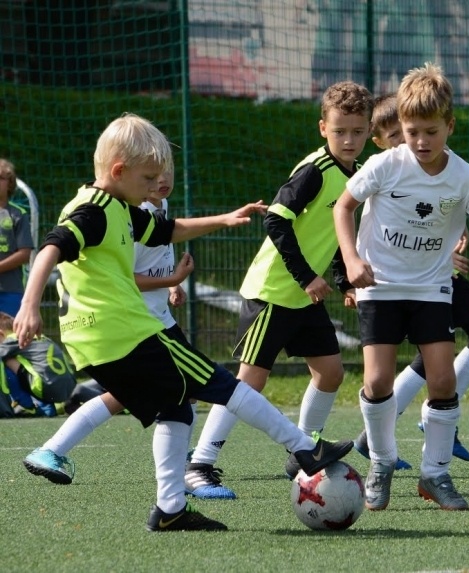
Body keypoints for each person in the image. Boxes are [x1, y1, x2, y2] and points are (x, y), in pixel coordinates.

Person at [14, 113, 352, 532]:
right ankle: (304, 449)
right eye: (149, 177)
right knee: (223, 384)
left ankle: (170, 509)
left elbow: (167, 230)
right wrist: (30, 305)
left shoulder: (121, 206)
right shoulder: (95, 210)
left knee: (176, 409)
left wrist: (224, 219)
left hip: (98, 340)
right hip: (127, 333)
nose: (156, 186)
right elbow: (50, 248)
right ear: (119, 171)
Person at [184, 81, 373, 499]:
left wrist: (343, 280)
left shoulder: (356, 174)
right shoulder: (314, 171)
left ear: (368, 131)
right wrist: (308, 276)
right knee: (248, 381)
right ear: (323, 128)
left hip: (304, 296)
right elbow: (275, 220)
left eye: (357, 132)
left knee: (331, 372)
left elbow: (337, 234)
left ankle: (303, 452)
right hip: (273, 290)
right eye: (340, 130)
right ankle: (200, 463)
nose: (348, 139)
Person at [333, 63, 469, 511]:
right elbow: (344, 207)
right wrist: (351, 260)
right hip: (380, 287)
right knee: (376, 379)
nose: (421, 142)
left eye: (431, 131)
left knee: (444, 381)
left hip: (431, 287)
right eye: (411, 132)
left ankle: (435, 475)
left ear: (449, 125)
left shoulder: (463, 176)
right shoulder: (385, 165)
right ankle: (382, 463)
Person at [21, 168, 202, 484]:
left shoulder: (159, 208)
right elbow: (126, 275)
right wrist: (170, 280)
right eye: (153, 174)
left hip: (155, 314)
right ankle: (186, 468)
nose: (162, 179)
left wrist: (171, 286)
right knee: (193, 384)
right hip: (137, 320)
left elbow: (157, 256)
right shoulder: (131, 213)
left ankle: (53, 449)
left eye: (168, 171)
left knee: (139, 393)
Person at [0, 158, 35, 413]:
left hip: (11, 291)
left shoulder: (16, 214)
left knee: (13, 345)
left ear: (10, 183)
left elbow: (25, 252)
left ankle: (23, 401)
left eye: (1, 178)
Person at [0, 311, 75, 417]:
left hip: (46, 387)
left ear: (1, 334)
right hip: (69, 388)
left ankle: (29, 406)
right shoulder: (36, 336)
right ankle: (49, 407)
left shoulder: (12, 340)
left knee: (6, 360)